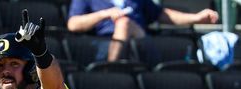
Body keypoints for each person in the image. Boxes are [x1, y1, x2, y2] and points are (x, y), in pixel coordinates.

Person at [67, 0, 219, 61]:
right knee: (124, 23)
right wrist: (104, 14)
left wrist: (196, 18)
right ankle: (110, 69)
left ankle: (112, 70)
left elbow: (163, 15)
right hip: (103, 46)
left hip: (140, 45)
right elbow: (73, 24)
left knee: (125, 23)